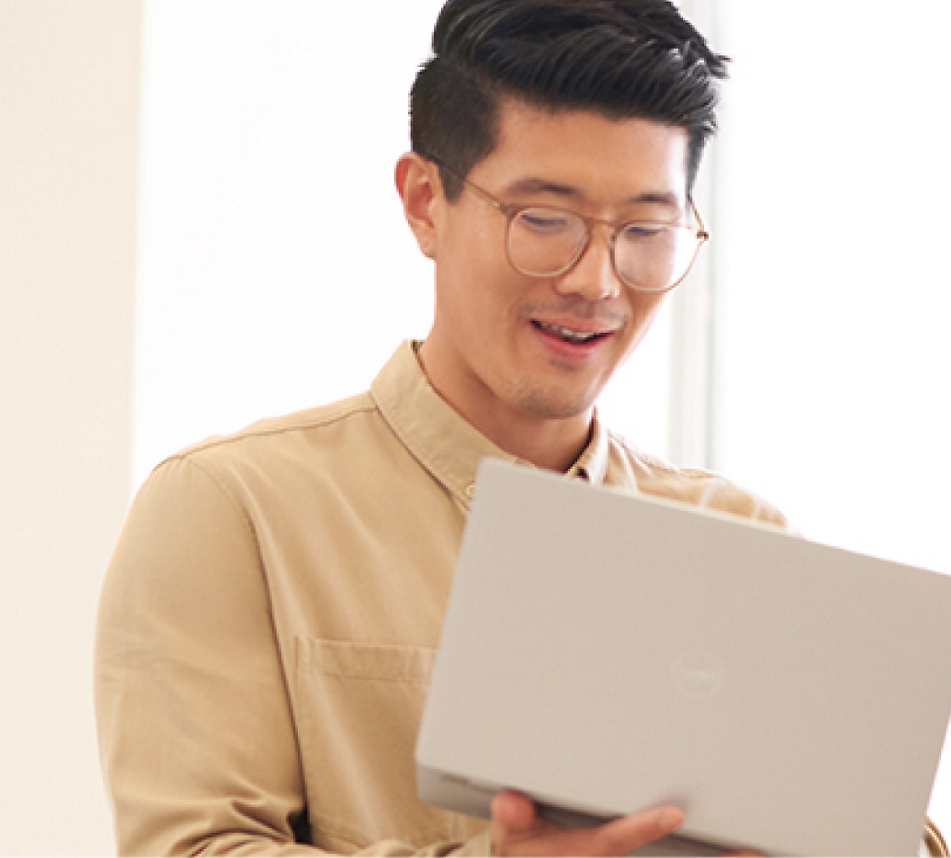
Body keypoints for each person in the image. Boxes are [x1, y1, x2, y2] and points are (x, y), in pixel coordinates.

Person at [96, 1, 787, 854]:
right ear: (426, 202)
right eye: (545, 221)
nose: (597, 282)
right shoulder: (232, 508)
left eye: (646, 231)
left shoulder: (739, 541)